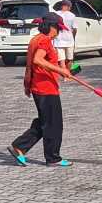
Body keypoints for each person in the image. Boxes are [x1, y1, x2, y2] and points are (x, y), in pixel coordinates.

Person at [9, 13, 74, 167]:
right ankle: (53, 158)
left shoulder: (36, 39)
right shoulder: (44, 41)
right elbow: (37, 60)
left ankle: (20, 147)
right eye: (58, 28)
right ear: (52, 27)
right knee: (53, 124)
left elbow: (31, 64)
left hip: (39, 87)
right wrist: (60, 70)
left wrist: (27, 84)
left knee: (45, 121)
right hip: (46, 88)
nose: (59, 31)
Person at [54, 0, 80, 75]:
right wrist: (73, 36)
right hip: (69, 40)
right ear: (68, 6)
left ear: (62, 6)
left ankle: (64, 75)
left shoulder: (55, 14)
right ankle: (68, 75)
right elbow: (75, 29)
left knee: (61, 59)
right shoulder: (72, 15)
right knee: (69, 59)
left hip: (58, 41)